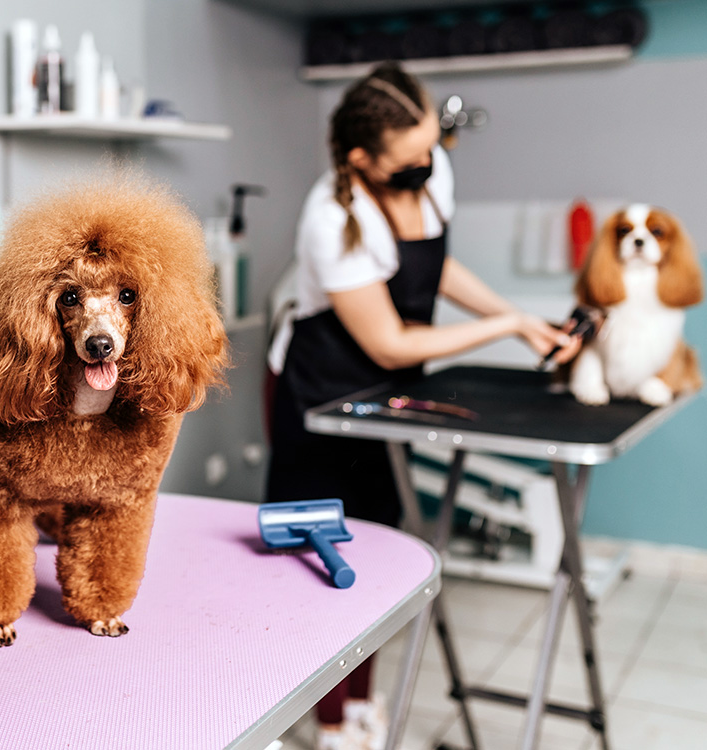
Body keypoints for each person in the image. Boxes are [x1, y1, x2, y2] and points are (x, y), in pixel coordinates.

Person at [265, 62, 579, 750]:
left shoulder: (430, 168)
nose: (427, 164)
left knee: (372, 550)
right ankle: (326, 722)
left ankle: (361, 709)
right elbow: (388, 342)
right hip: (317, 393)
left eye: (431, 147)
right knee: (314, 563)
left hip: (384, 394)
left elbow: (437, 267)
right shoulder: (332, 218)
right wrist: (504, 329)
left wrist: (521, 316)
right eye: (409, 159)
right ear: (361, 160)